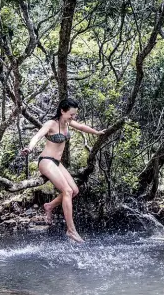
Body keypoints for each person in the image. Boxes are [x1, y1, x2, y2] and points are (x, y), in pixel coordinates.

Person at [20, 98, 105, 243]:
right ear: (62, 111)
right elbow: (37, 136)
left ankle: (49, 206)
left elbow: (82, 127)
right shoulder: (51, 124)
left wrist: (97, 133)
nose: (73, 117)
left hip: (57, 163)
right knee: (67, 191)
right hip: (46, 161)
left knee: (75, 191)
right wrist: (30, 148)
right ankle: (71, 230)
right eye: (71, 114)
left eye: (74, 115)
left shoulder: (68, 122)